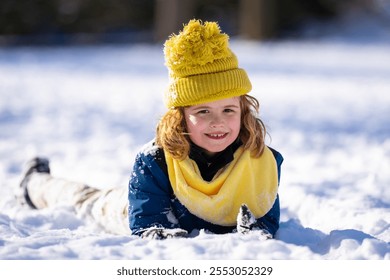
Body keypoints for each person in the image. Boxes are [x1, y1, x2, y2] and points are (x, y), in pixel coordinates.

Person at [19, 19, 283, 240]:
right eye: (203, 111)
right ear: (180, 117)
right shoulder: (155, 160)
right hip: (124, 209)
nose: (218, 122)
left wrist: (258, 229)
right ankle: (35, 184)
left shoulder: (261, 161)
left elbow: (266, 211)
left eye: (228, 110)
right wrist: (159, 232)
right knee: (83, 201)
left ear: (243, 112)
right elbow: (146, 221)